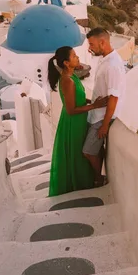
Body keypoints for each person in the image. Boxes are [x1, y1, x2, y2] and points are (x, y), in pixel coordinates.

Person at [47, 46, 107, 197]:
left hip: (79, 122)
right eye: (74, 56)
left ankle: (86, 182)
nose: (77, 57)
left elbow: (77, 99)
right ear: (66, 63)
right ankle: (81, 184)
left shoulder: (73, 77)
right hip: (72, 123)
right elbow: (71, 109)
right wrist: (94, 106)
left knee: (79, 154)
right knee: (76, 154)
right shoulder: (67, 80)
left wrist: (92, 101)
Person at [84, 28, 127, 187]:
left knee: (88, 151)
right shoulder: (105, 59)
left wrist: (104, 125)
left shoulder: (113, 65)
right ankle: (99, 175)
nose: (90, 48)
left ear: (103, 42)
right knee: (94, 149)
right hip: (96, 114)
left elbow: (114, 98)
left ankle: (99, 179)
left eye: (92, 44)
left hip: (102, 118)